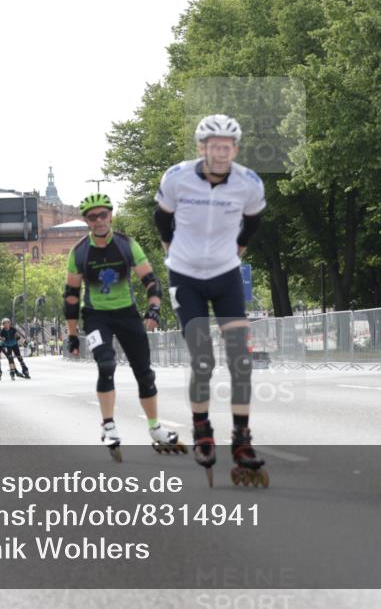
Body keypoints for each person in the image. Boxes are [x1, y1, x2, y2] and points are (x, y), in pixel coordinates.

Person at [153, 114, 268, 486]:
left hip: (225, 275)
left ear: (235, 149)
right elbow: (161, 217)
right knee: (202, 358)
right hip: (185, 276)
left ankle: (241, 439)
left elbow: (253, 222)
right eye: (213, 146)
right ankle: (202, 429)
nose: (220, 152)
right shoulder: (176, 177)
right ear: (202, 148)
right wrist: (171, 248)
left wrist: (238, 248)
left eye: (228, 146)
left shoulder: (249, 183)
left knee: (241, 360)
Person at [65, 192, 183, 462]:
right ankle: (108, 426)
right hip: (96, 316)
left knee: (144, 373)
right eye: (92, 217)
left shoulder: (127, 245)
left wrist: (153, 308)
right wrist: (72, 334)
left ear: (111, 215)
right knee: (106, 365)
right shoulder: (79, 252)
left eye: (102, 215)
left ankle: (155, 428)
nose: (98, 221)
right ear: (86, 220)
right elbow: (71, 295)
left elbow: (151, 281)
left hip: (127, 314)